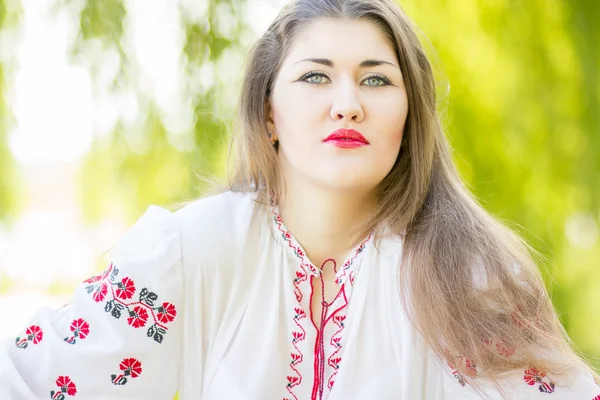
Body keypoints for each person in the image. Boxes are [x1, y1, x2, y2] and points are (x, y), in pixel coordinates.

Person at [1, 0, 599, 398]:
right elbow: (36, 381)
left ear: (409, 116)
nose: (347, 103)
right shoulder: (191, 251)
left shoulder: (469, 273)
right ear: (269, 113)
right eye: (316, 76)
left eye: (376, 79)